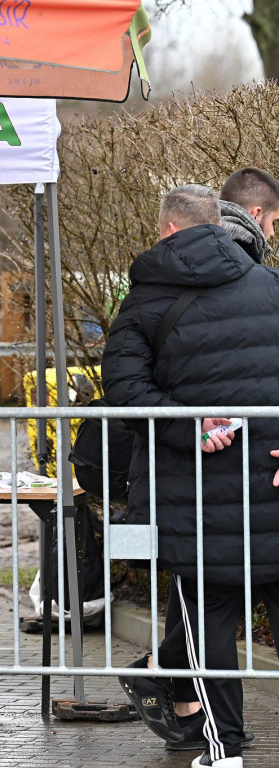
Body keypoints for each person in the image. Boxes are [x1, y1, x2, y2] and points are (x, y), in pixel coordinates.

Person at [104, 184, 279, 768]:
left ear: (166, 232)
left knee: (207, 624)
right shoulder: (270, 286)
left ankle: (223, 746)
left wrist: (193, 427)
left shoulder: (146, 298)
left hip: (193, 491)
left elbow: (127, 394)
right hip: (272, 484)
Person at [219, 166, 279, 263]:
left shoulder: (190, 244)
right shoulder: (251, 273)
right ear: (256, 214)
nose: (273, 233)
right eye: (273, 222)